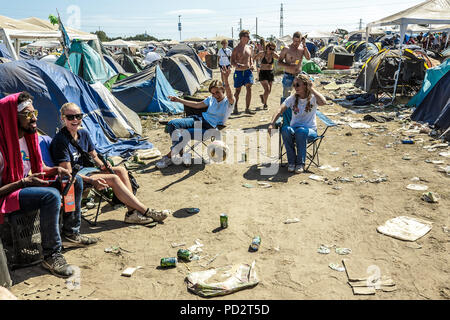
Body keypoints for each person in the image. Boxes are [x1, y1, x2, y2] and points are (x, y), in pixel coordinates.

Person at [0, 92, 97, 278]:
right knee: (50, 196)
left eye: (34, 112)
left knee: (73, 181)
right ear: (13, 117)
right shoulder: (2, 146)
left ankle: (70, 233)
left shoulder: (29, 138)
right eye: (28, 115)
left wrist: (54, 170)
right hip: (9, 193)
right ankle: (51, 255)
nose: (35, 118)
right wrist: (23, 182)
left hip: (26, 186)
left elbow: (38, 167)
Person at [50, 102, 168, 225]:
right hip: (76, 178)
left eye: (78, 116)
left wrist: (103, 164)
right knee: (113, 178)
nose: (75, 120)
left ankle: (132, 213)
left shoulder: (83, 133)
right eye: (70, 117)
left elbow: (94, 155)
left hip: (86, 170)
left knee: (121, 170)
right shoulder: (61, 141)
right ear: (63, 118)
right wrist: (91, 181)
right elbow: (68, 174)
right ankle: (146, 211)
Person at [156, 68, 235, 169]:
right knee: (172, 124)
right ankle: (181, 153)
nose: (215, 95)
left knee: (185, 134)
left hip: (210, 128)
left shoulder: (228, 103)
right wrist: (179, 100)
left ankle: (169, 157)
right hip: (199, 119)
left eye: (217, 92)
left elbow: (230, 95)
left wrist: (226, 80)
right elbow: (197, 105)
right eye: (213, 93)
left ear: (223, 90)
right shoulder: (211, 99)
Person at [268, 74, 326, 173]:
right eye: (294, 85)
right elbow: (279, 110)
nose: (295, 87)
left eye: (298, 85)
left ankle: (300, 163)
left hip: (309, 132)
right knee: (285, 129)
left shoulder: (313, 98)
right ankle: (292, 162)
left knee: (301, 131)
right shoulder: (292, 98)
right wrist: (271, 123)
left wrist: (312, 89)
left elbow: (323, 102)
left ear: (305, 85)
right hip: (294, 131)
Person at [278, 31, 311, 101]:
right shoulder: (286, 48)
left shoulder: (302, 49)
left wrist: (304, 45)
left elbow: (308, 58)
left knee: (302, 95)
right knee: (286, 97)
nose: (296, 43)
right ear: (292, 39)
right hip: (288, 75)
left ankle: (298, 110)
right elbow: (279, 62)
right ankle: (285, 111)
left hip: (299, 75)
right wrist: (289, 66)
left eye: (298, 41)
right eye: (295, 41)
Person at [230, 29, 255, 115]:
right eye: (247, 36)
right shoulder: (236, 49)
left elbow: (251, 58)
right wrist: (238, 65)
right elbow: (232, 61)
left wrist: (252, 65)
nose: (248, 38)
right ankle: (235, 107)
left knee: (249, 88)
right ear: (241, 37)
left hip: (248, 71)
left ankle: (247, 108)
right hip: (239, 72)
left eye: (248, 36)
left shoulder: (249, 47)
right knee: (237, 91)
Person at [255, 42, 279, 110]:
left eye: (273, 49)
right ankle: (265, 104)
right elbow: (254, 57)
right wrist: (256, 64)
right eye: (271, 48)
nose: (272, 50)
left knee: (269, 91)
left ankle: (263, 97)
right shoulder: (262, 53)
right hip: (263, 72)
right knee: (267, 89)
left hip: (270, 73)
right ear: (267, 47)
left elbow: (280, 58)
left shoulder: (273, 54)